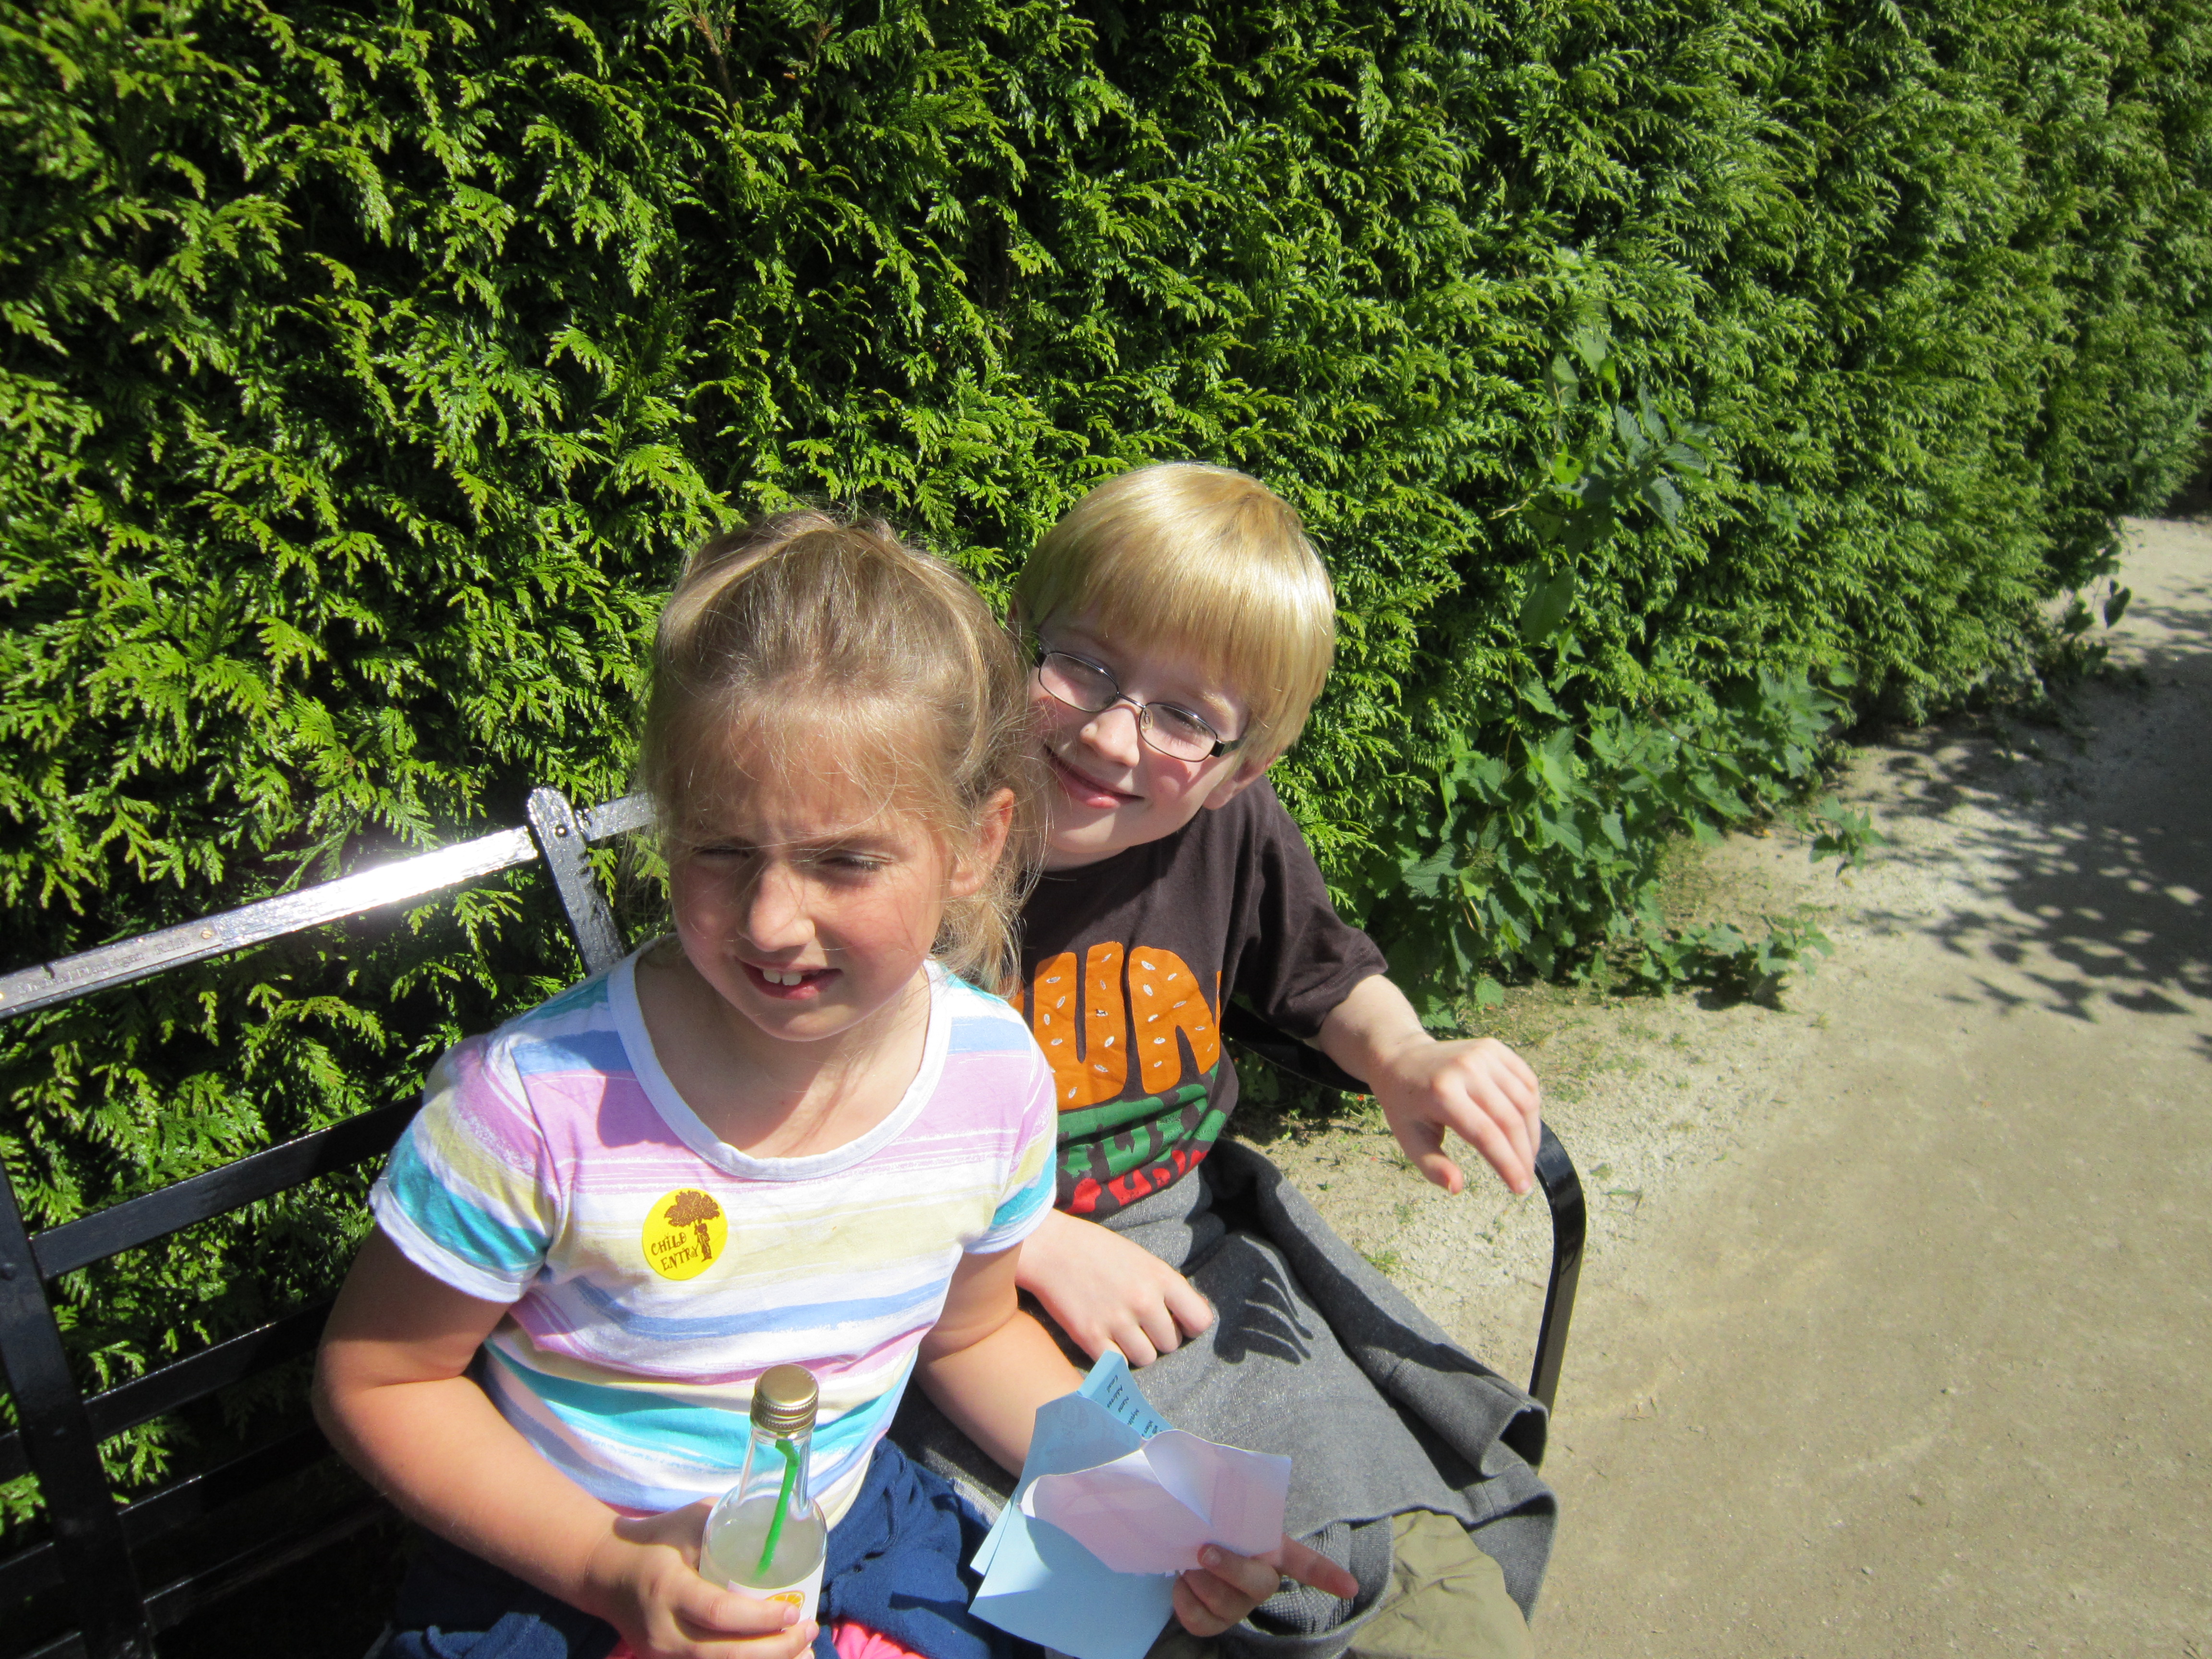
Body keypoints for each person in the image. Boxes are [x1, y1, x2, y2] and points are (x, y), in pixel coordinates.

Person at [313, 511, 1356, 1659]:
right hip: (560, 1573)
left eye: (845, 861)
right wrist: (610, 1569)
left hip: (848, 1542)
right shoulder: (533, 1108)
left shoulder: (993, 1078)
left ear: (976, 846)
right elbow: (379, 1381)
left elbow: (970, 1339)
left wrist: (1166, 1510)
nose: (771, 920)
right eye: (720, 849)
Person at [894, 465, 1555, 1659]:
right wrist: (1032, 1239)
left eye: (1184, 718)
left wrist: (1406, 1053)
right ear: (1012, 641)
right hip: (949, 1294)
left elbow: (1322, 974)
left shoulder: (1230, 831)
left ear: (1238, 769)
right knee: (1150, 1594)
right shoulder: (910, 846)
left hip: (1183, 1262)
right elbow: (823, 1134)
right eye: (1080, 664)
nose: (1110, 735)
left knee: (1388, 1577)